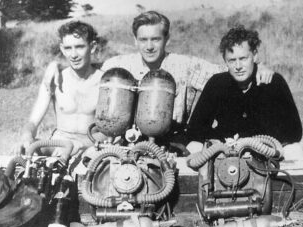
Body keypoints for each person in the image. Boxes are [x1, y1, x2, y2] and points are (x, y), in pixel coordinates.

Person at [100, 11, 274, 152]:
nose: (149, 46)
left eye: (156, 39)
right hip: (124, 143)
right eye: (143, 40)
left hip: (173, 144)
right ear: (135, 40)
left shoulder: (186, 65)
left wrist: (259, 66)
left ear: (167, 39)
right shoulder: (117, 65)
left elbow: (230, 71)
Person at [186, 25, 303, 159]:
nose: (238, 67)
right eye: (232, 60)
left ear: (254, 56)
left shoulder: (273, 82)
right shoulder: (217, 84)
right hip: (227, 152)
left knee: (295, 150)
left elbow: (294, 132)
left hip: (265, 152)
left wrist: (262, 143)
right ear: (225, 61)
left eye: (243, 59)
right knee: (193, 147)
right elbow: (194, 130)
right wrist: (219, 141)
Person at [13, 20, 105, 156]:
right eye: (68, 48)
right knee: (23, 153)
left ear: (92, 47)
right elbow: (32, 122)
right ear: (62, 49)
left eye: (79, 47)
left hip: (89, 148)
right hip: (58, 144)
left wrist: (82, 145)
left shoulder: (105, 83)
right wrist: (26, 135)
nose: (73, 55)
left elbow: (110, 134)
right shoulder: (54, 80)